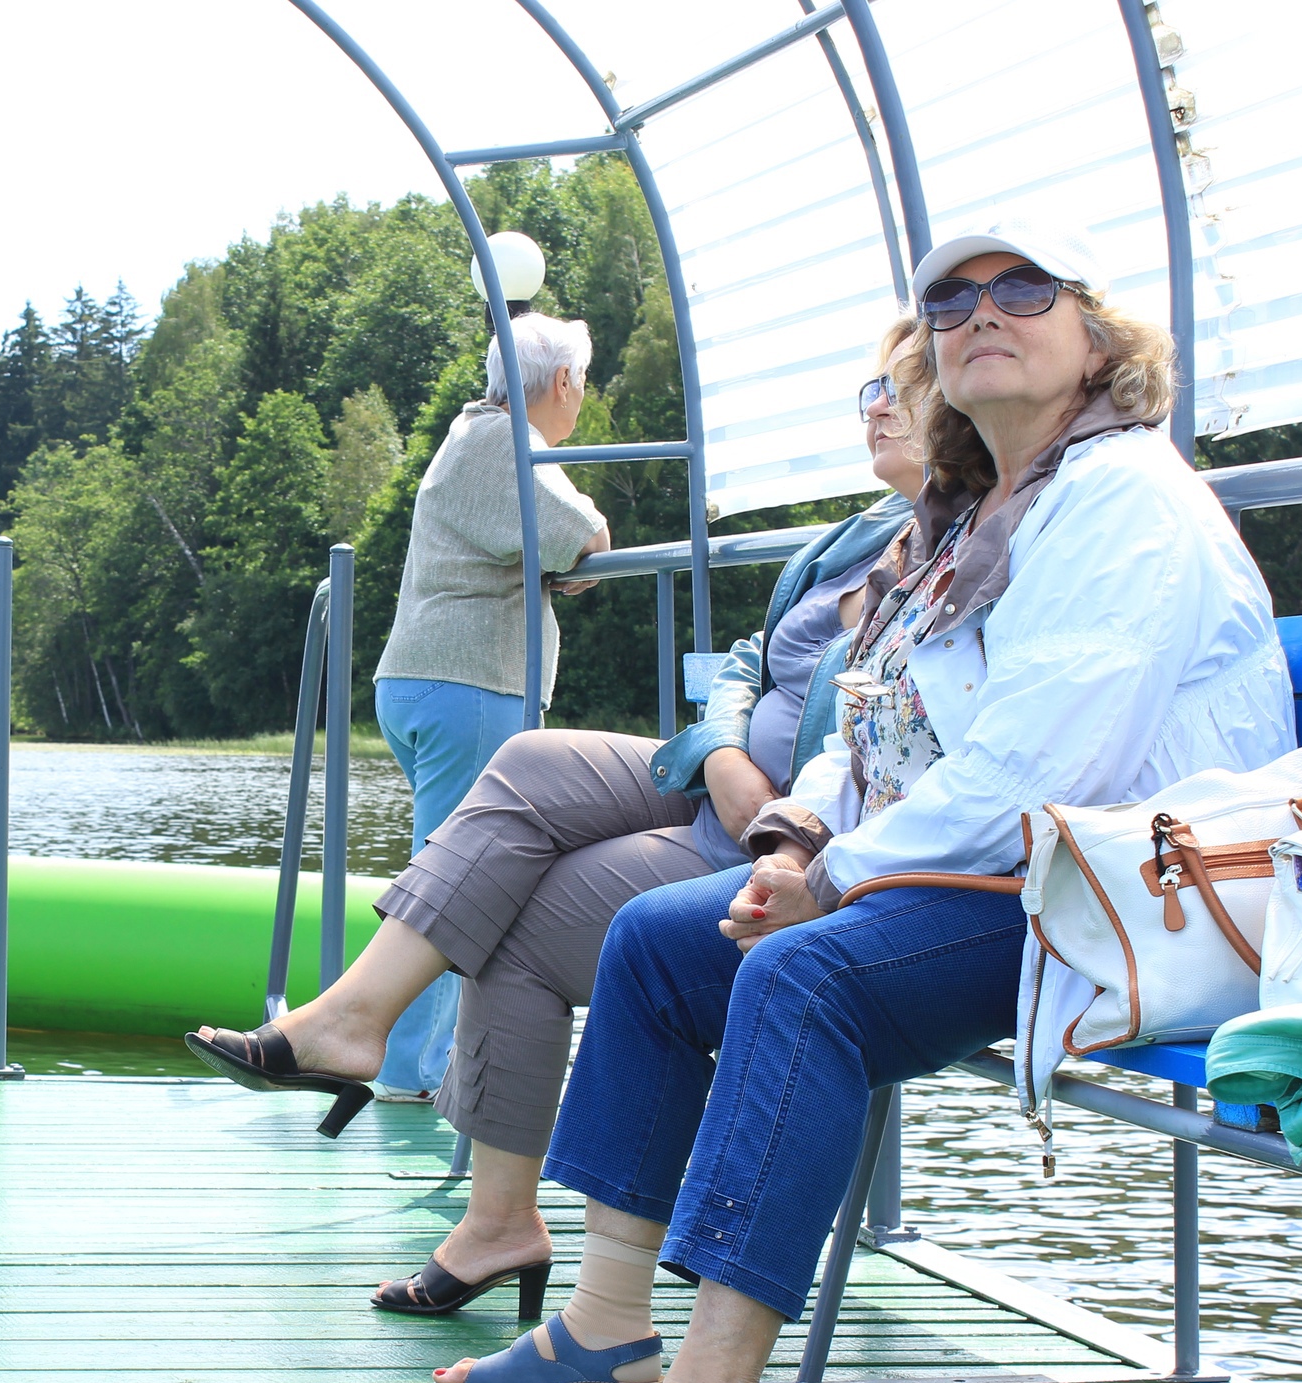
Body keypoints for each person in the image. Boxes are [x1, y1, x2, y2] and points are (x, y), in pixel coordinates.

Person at [434, 220, 1294, 1383]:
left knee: (801, 977)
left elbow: (1038, 769)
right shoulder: (973, 516)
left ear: (1097, 339)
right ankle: (608, 1327)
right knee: (660, 940)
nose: (981, 312)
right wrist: (793, 839)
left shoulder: (1123, 499)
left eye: (1023, 288)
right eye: (950, 301)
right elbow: (875, 726)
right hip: (1008, 878)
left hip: (1122, 899)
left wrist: (835, 884)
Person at [188, 316, 928, 1320]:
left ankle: (491, 1211)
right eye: (869, 391)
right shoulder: (855, 537)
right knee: (528, 763)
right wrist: (719, 750)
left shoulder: (962, 545)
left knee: (517, 915)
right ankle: (355, 1022)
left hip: (795, 831)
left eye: (899, 390)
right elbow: (747, 661)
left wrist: (785, 817)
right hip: (719, 781)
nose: (876, 408)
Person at [370, 311, 608, 1100]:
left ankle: (422, 1057)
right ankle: (412, 1065)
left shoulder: (472, 436)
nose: (583, 394)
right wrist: (580, 550)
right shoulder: (509, 444)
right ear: (563, 381)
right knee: (457, 884)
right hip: (472, 683)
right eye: (583, 379)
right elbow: (582, 536)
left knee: (449, 868)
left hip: (428, 678)